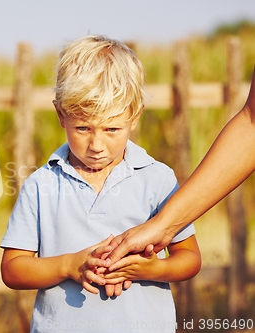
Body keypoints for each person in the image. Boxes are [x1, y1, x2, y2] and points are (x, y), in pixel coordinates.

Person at [0, 35, 201, 333]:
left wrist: (153, 268)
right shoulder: (39, 185)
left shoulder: (157, 178)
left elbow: (190, 258)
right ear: (60, 115)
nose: (97, 144)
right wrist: (68, 266)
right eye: (83, 128)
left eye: (112, 129)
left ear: (135, 116)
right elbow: (12, 269)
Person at [107, 66, 255, 267]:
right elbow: (252, 123)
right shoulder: (48, 181)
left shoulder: (157, 177)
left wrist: (157, 265)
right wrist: (162, 226)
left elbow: (189, 258)